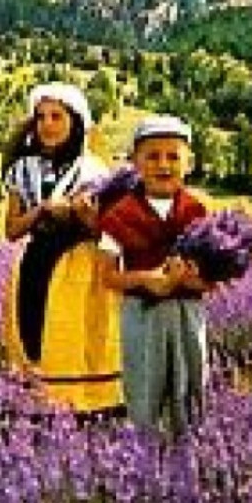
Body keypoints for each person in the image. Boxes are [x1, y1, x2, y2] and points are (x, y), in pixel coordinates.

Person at [0, 83, 122, 416]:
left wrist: (84, 216)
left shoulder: (94, 171)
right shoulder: (22, 171)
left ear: (76, 122)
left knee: (76, 333)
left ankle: (89, 404)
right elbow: (11, 230)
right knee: (34, 331)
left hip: (81, 267)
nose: (47, 125)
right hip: (37, 263)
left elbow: (108, 232)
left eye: (57, 116)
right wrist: (41, 210)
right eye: (40, 117)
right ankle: (39, 405)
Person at [96, 114, 213, 434]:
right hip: (141, 314)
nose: (163, 164)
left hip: (187, 313)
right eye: (152, 156)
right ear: (136, 162)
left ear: (189, 162)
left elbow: (213, 276)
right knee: (145, 386)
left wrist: (191, 280)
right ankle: (146, 459)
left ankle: (190, 458)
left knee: (191, 386)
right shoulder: (120, 214)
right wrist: (147, 279)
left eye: (173, 156)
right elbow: (107, 276)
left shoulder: (198, 211)